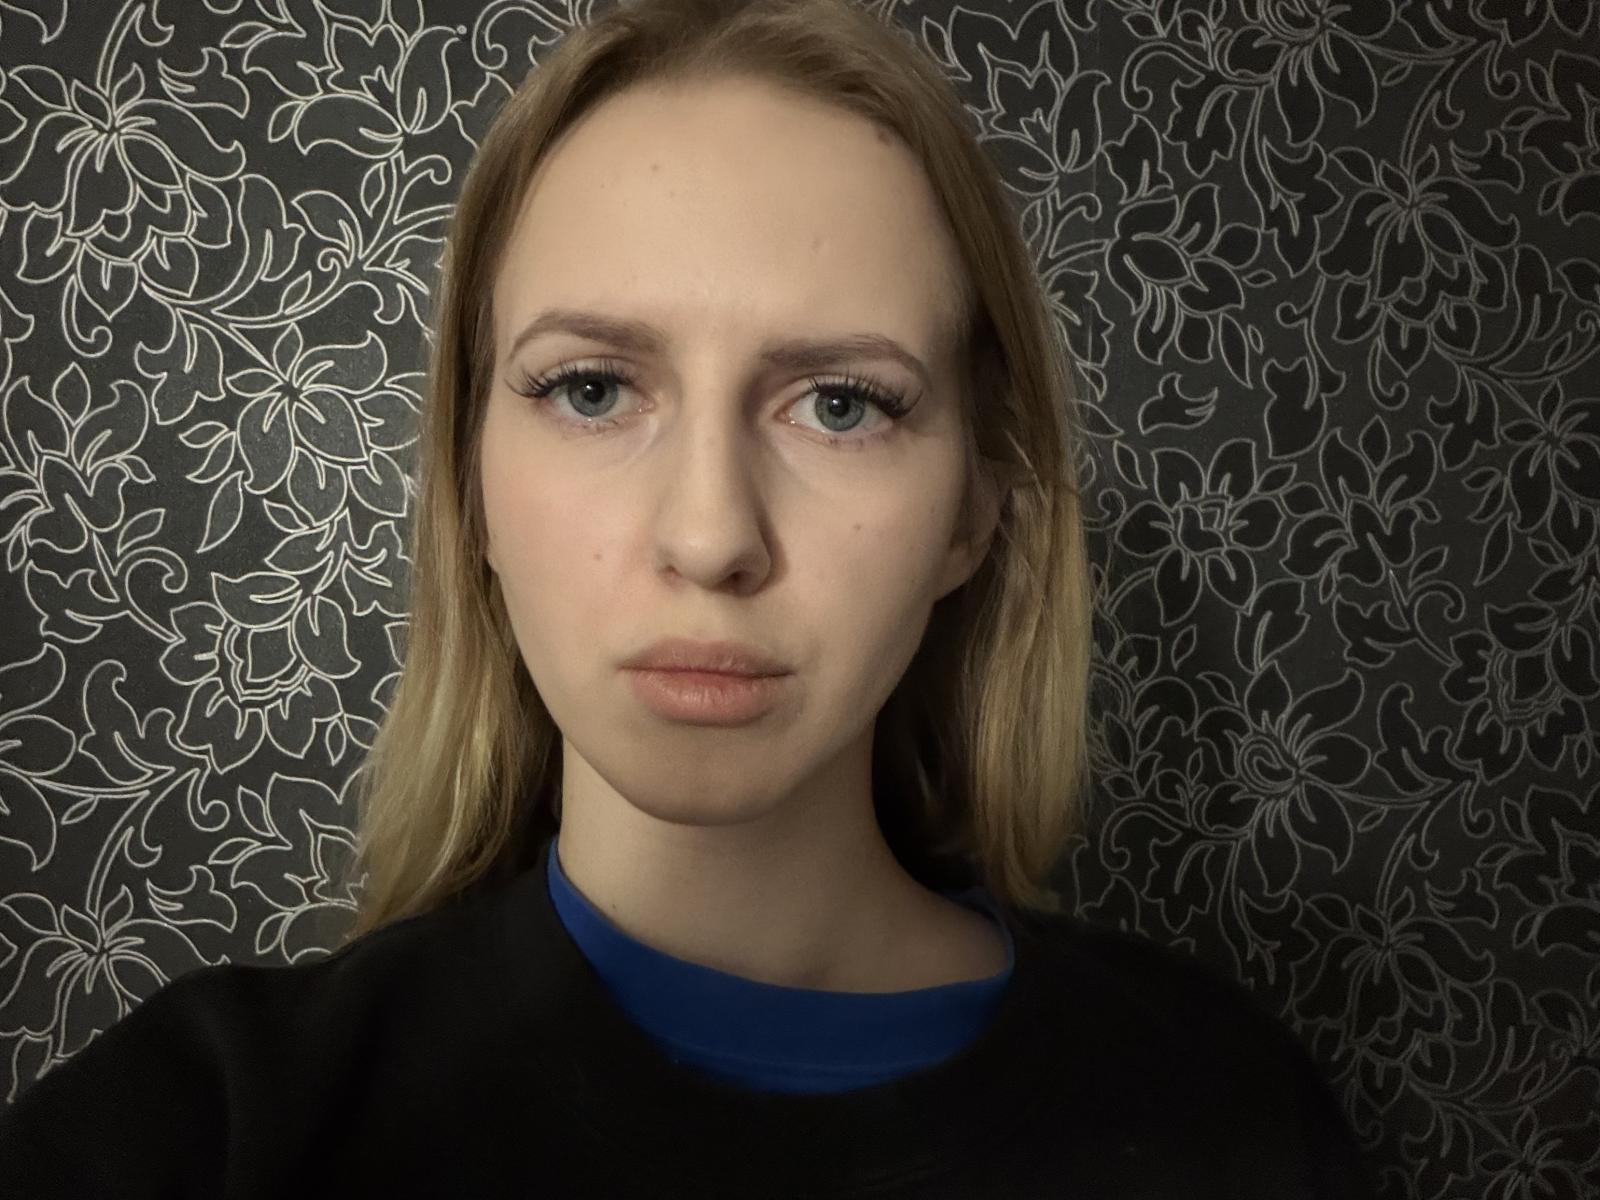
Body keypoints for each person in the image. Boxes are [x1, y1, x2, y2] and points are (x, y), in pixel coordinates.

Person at [0, 0, 1376, 1194]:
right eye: (591, 389)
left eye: (842, 404)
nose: (711, 536)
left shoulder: (1228, 1117)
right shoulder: (210, 1129)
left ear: (974, 508)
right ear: (469, 485)